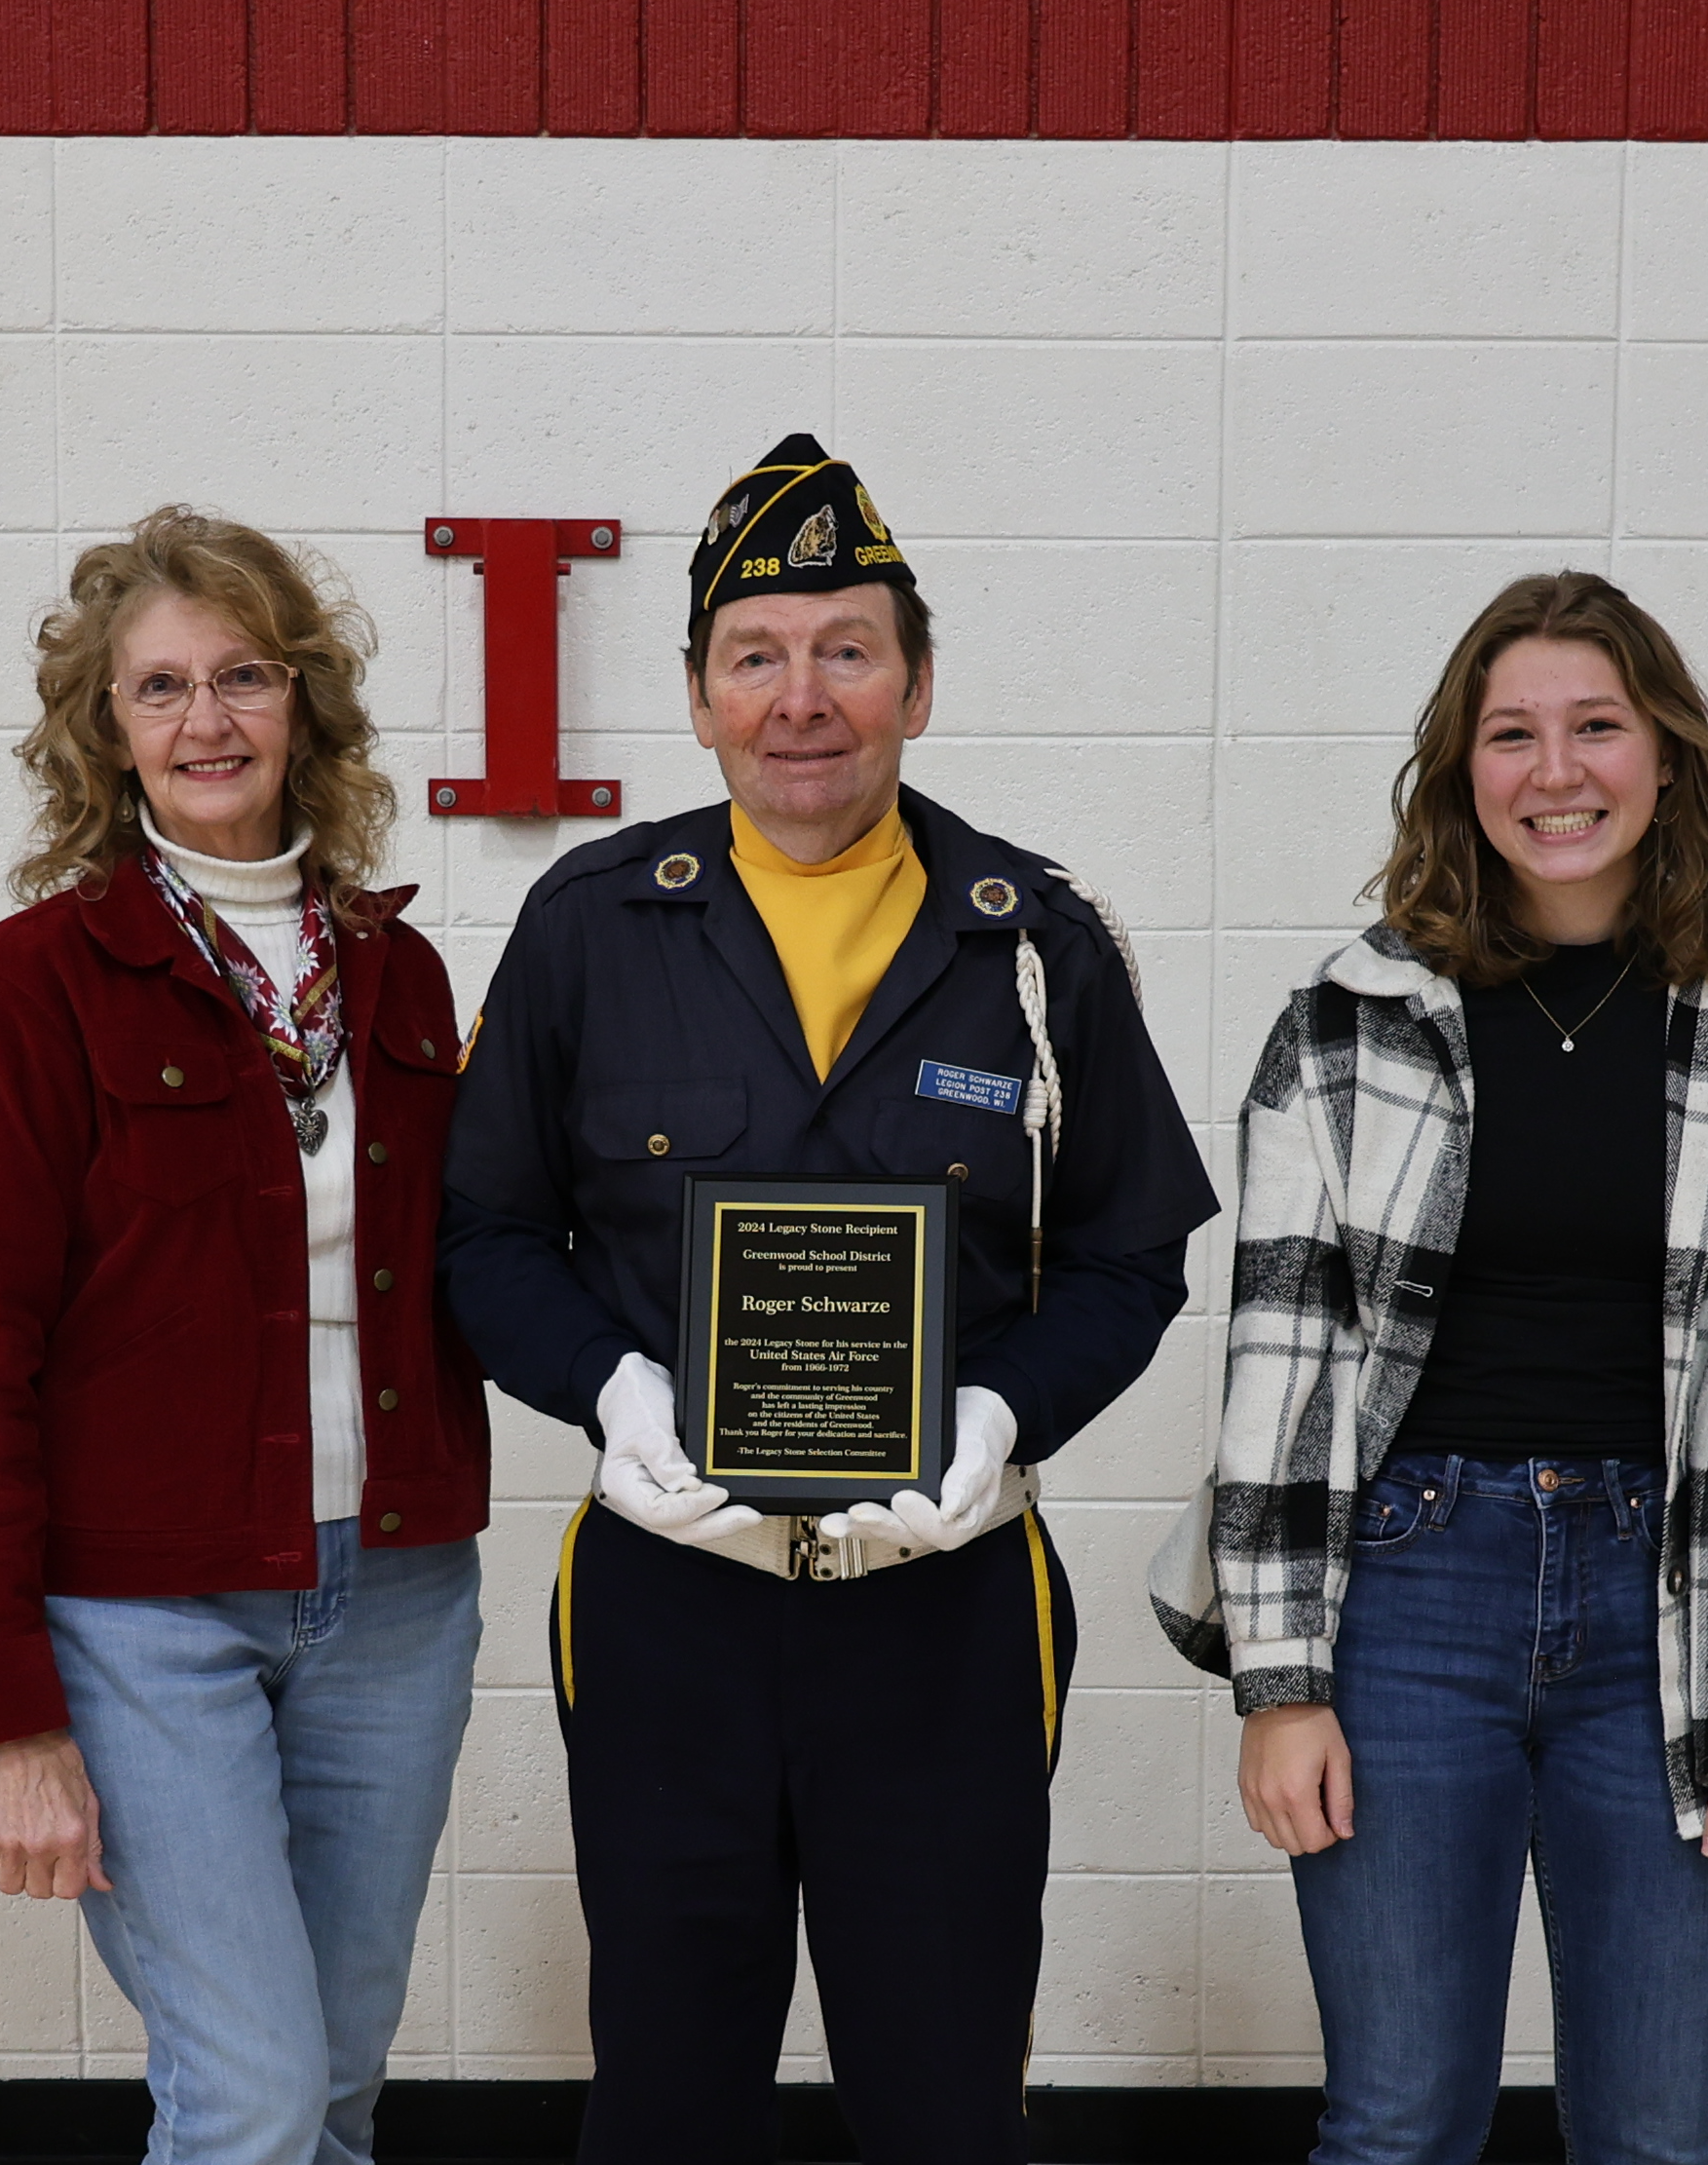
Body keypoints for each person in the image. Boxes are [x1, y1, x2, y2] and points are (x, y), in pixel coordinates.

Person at [442, 434, 1221, 2165]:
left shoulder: (1033, 941)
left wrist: (1004, 1415)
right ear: (702, 700)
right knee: (662, 2095)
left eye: (848, 650)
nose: (805, 697)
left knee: (947, 2100)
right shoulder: (587, 926)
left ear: (918, 685)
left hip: (943, 1618)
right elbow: (485, 1234)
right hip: (669, 1609)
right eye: (758, 656)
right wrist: (611, 1391)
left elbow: (1127, 1255)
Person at [1163, 572, 1708, 2165]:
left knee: (1662, 2129)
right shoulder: (1348, 1026)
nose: (1557, 772)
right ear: (1460, 773)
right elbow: (1277, 1369)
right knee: (1403, 2117)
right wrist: (1282, 1685)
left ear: (1669, 757)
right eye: (1511, 734)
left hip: (1669, 1609)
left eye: (1597, 727)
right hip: (1410, 1596)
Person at [0, 509, 493, 2165]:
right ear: (105, 728)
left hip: (395, 1597)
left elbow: (473, 1269)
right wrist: (10, 1713)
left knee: (334, 2084)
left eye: (243, 675)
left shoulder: (401, 976)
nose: (207, 720)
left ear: (304, 703)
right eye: (159, 687)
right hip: (142, 1621)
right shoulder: (36, 986)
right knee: (244, 2095)